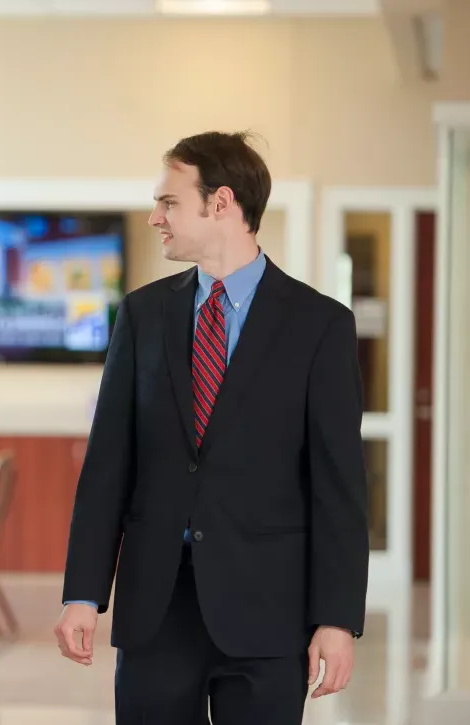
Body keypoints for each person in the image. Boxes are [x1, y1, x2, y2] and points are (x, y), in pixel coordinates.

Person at [53, 131, 370, 724]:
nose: (155, 218)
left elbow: (339, 488)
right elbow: (108, 467)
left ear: (221, 203)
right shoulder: (142, 316)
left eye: (169, 202)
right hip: (156, 611)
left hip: (269, 614)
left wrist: (337, 618)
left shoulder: (319, 325)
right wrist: (82, 594)